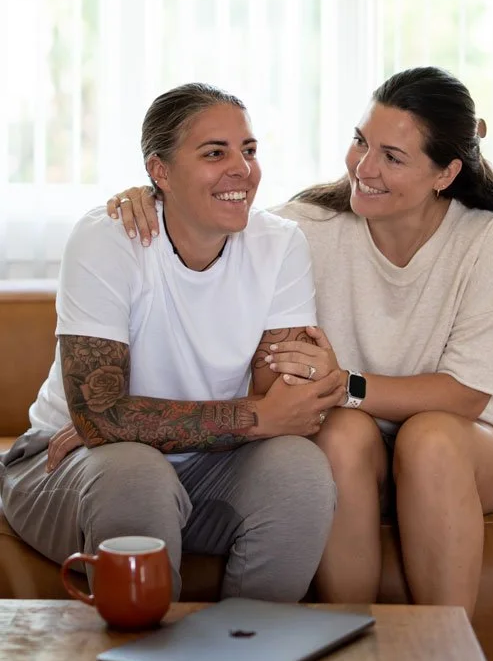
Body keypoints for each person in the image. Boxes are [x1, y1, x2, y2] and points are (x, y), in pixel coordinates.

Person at [50, 67, 493, 617]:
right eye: (361, 142)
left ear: (446, 172)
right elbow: (214, 209)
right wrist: (146, 196)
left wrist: (343, 385)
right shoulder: (306, 228)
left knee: (427, 440)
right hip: (351, 445)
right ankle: (350, 639)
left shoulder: (485, 237)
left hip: (464, 442)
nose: (365, 167)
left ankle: (446, 653)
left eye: (392, 157)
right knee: (339, 434)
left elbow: (467, 396)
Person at [0, 82, 346, 601]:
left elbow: (283, 406)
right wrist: (252, 416)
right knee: (135, 472)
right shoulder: (107, 239)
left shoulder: (280, 245)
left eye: (249, 150)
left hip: (207, 466)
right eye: (215, 153)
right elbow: (101, 419)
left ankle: (251, 640)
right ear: (159, 171)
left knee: (300, 469)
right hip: (65, 463)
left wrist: (128, 422)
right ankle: (144, 650)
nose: (242, 169)